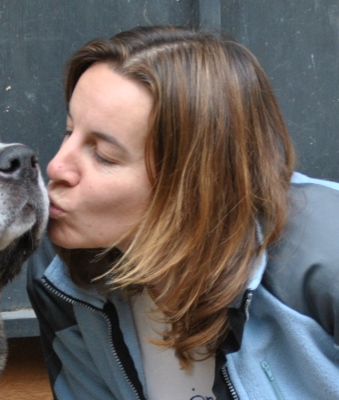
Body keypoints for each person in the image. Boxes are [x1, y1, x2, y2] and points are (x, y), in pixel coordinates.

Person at [26, 25, 339, 400]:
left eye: (103, 155)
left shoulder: (326, 252)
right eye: (68, 131)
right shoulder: (57, 269)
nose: (56, 167)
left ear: (194, 183)